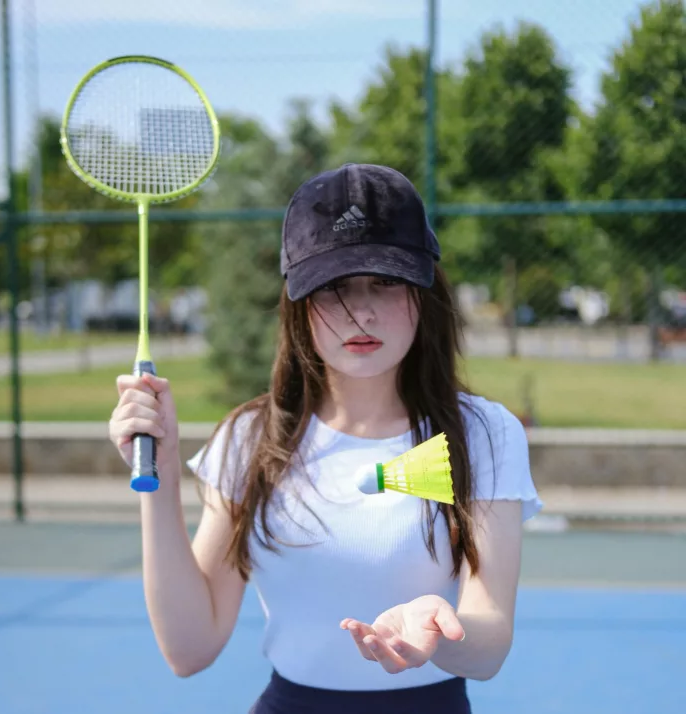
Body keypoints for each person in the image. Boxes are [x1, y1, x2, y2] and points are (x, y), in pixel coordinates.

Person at [108, 163, 542, 713]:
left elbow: (488, 648)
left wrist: (439, 628)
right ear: (299, 304)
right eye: (334, 286)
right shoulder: (248, 439)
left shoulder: (482, 433)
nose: (360, 310)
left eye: (385, 282)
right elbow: (188, 649)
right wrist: (160, 474)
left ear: (424, 291)